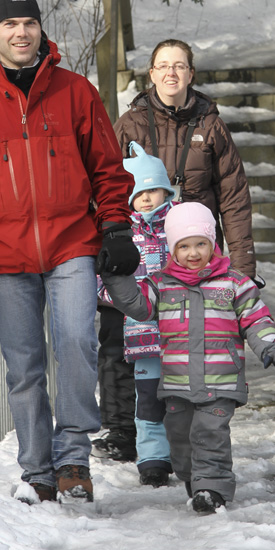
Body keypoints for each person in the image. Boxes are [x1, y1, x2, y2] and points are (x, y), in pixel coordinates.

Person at [0, 0, 139, 505]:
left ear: (41, 29)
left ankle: (73, 459)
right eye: (10, 25)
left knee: (77, 345)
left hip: (72, 245)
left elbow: (108, 169)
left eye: (29, 24)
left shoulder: (75, 92)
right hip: (5, 255)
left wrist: (115, 226)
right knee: (24, 367)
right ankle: (38, 471)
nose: (21, 33)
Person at [94, 38, 256, 464]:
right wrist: (105, 249)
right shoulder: (129, 124)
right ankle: (121, 431)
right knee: (117, 338)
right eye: (163, 65)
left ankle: (182, 435)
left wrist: (241, 269)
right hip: (133, 249)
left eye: (179, 65)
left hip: (192, 261)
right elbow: (103, 184)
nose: (171, 72)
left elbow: (234, 200)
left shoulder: (212, 126)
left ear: (190, 73)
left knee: (187, 347)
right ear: (151, 74)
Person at [99, 202, 275, 514]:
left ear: (212, 243)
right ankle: (194, 479)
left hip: (221, 379)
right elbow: (136, 304)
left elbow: (256, 319)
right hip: (177, 381)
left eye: (201, 244)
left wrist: (272, 348)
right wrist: (115, 275)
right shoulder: (161, 284)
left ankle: (212, 487)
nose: (193, 253)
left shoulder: (233, 283)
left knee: (210, 434)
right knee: (180, 437)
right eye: (184, 246)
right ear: (173, 249)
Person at [98, 142, 176, 487]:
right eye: (137, 193)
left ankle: (184, 452)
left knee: (181, 395)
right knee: (147, 396)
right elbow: (101, 276)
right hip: (140, 332)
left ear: (166, 191)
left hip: (180, 331)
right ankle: (153, 457)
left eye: (152, 190)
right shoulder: (121, 233)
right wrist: (116, 298)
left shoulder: (181, 225)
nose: (145, 199)